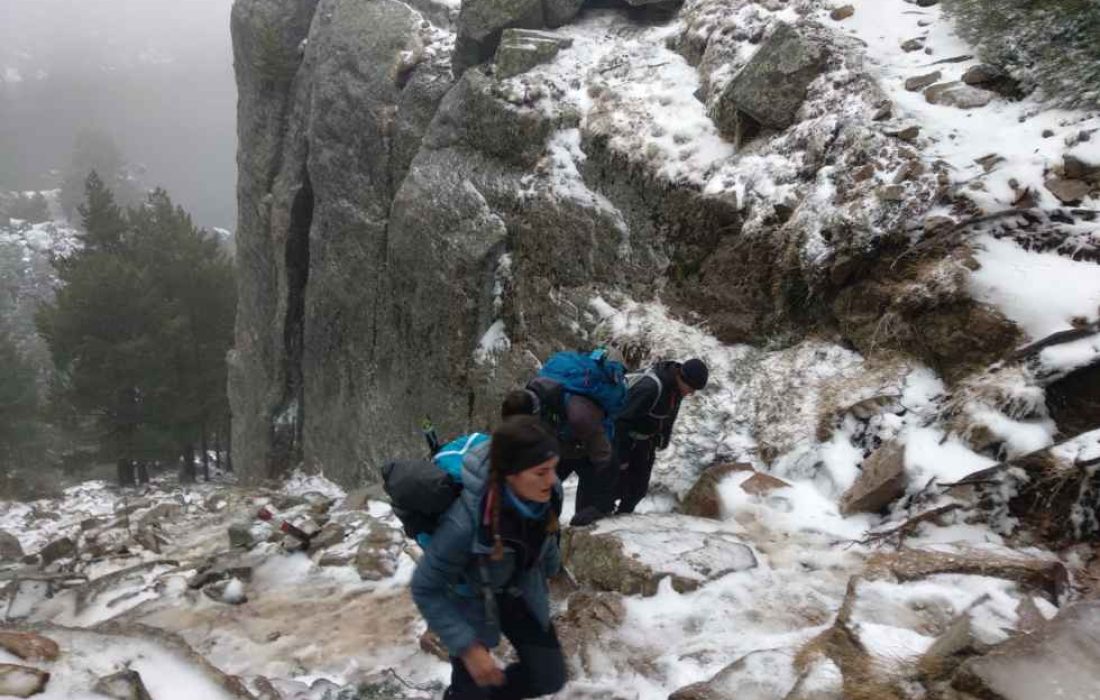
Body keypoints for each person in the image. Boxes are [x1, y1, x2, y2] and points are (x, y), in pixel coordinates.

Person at [410, 416, 567, 700]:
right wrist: (469, 649)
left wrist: (551, 565)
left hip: (520, 587)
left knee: (549, 676)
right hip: (470, 598)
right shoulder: (465, 522)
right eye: (541, 472)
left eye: (553, 469)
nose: (552, 479)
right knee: (473, 690)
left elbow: (543, 534)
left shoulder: (546, 494)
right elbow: (425, 586)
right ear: (511, 474)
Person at [501, 384, 615, 527]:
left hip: (589, 455)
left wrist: (601, 505)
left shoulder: (580, 415)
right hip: (561, 450)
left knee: (583, 517)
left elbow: (605, 461)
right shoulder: (527, 403)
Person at [614, 358, 709, 514]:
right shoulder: (651, 388)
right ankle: (601, 520)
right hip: (624, 441)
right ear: (681, 378)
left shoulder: (676, 390)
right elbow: (621, 421)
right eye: (691, 388)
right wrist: (622, 458)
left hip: (645, 443)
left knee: (637, 490)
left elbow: (668, 415)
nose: (692, 393)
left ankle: (622, 518)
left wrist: (662, 439)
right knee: (613, 488)